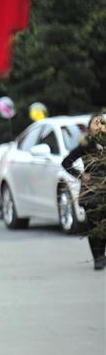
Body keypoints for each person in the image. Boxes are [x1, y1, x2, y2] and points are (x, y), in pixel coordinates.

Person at [62, 113, 106, 270]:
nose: (100, 127)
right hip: (92, 191)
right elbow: (66, 162)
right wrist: (81, 175)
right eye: (96, 124)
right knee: (94, 225)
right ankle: (98, 258)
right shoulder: (86, 145)